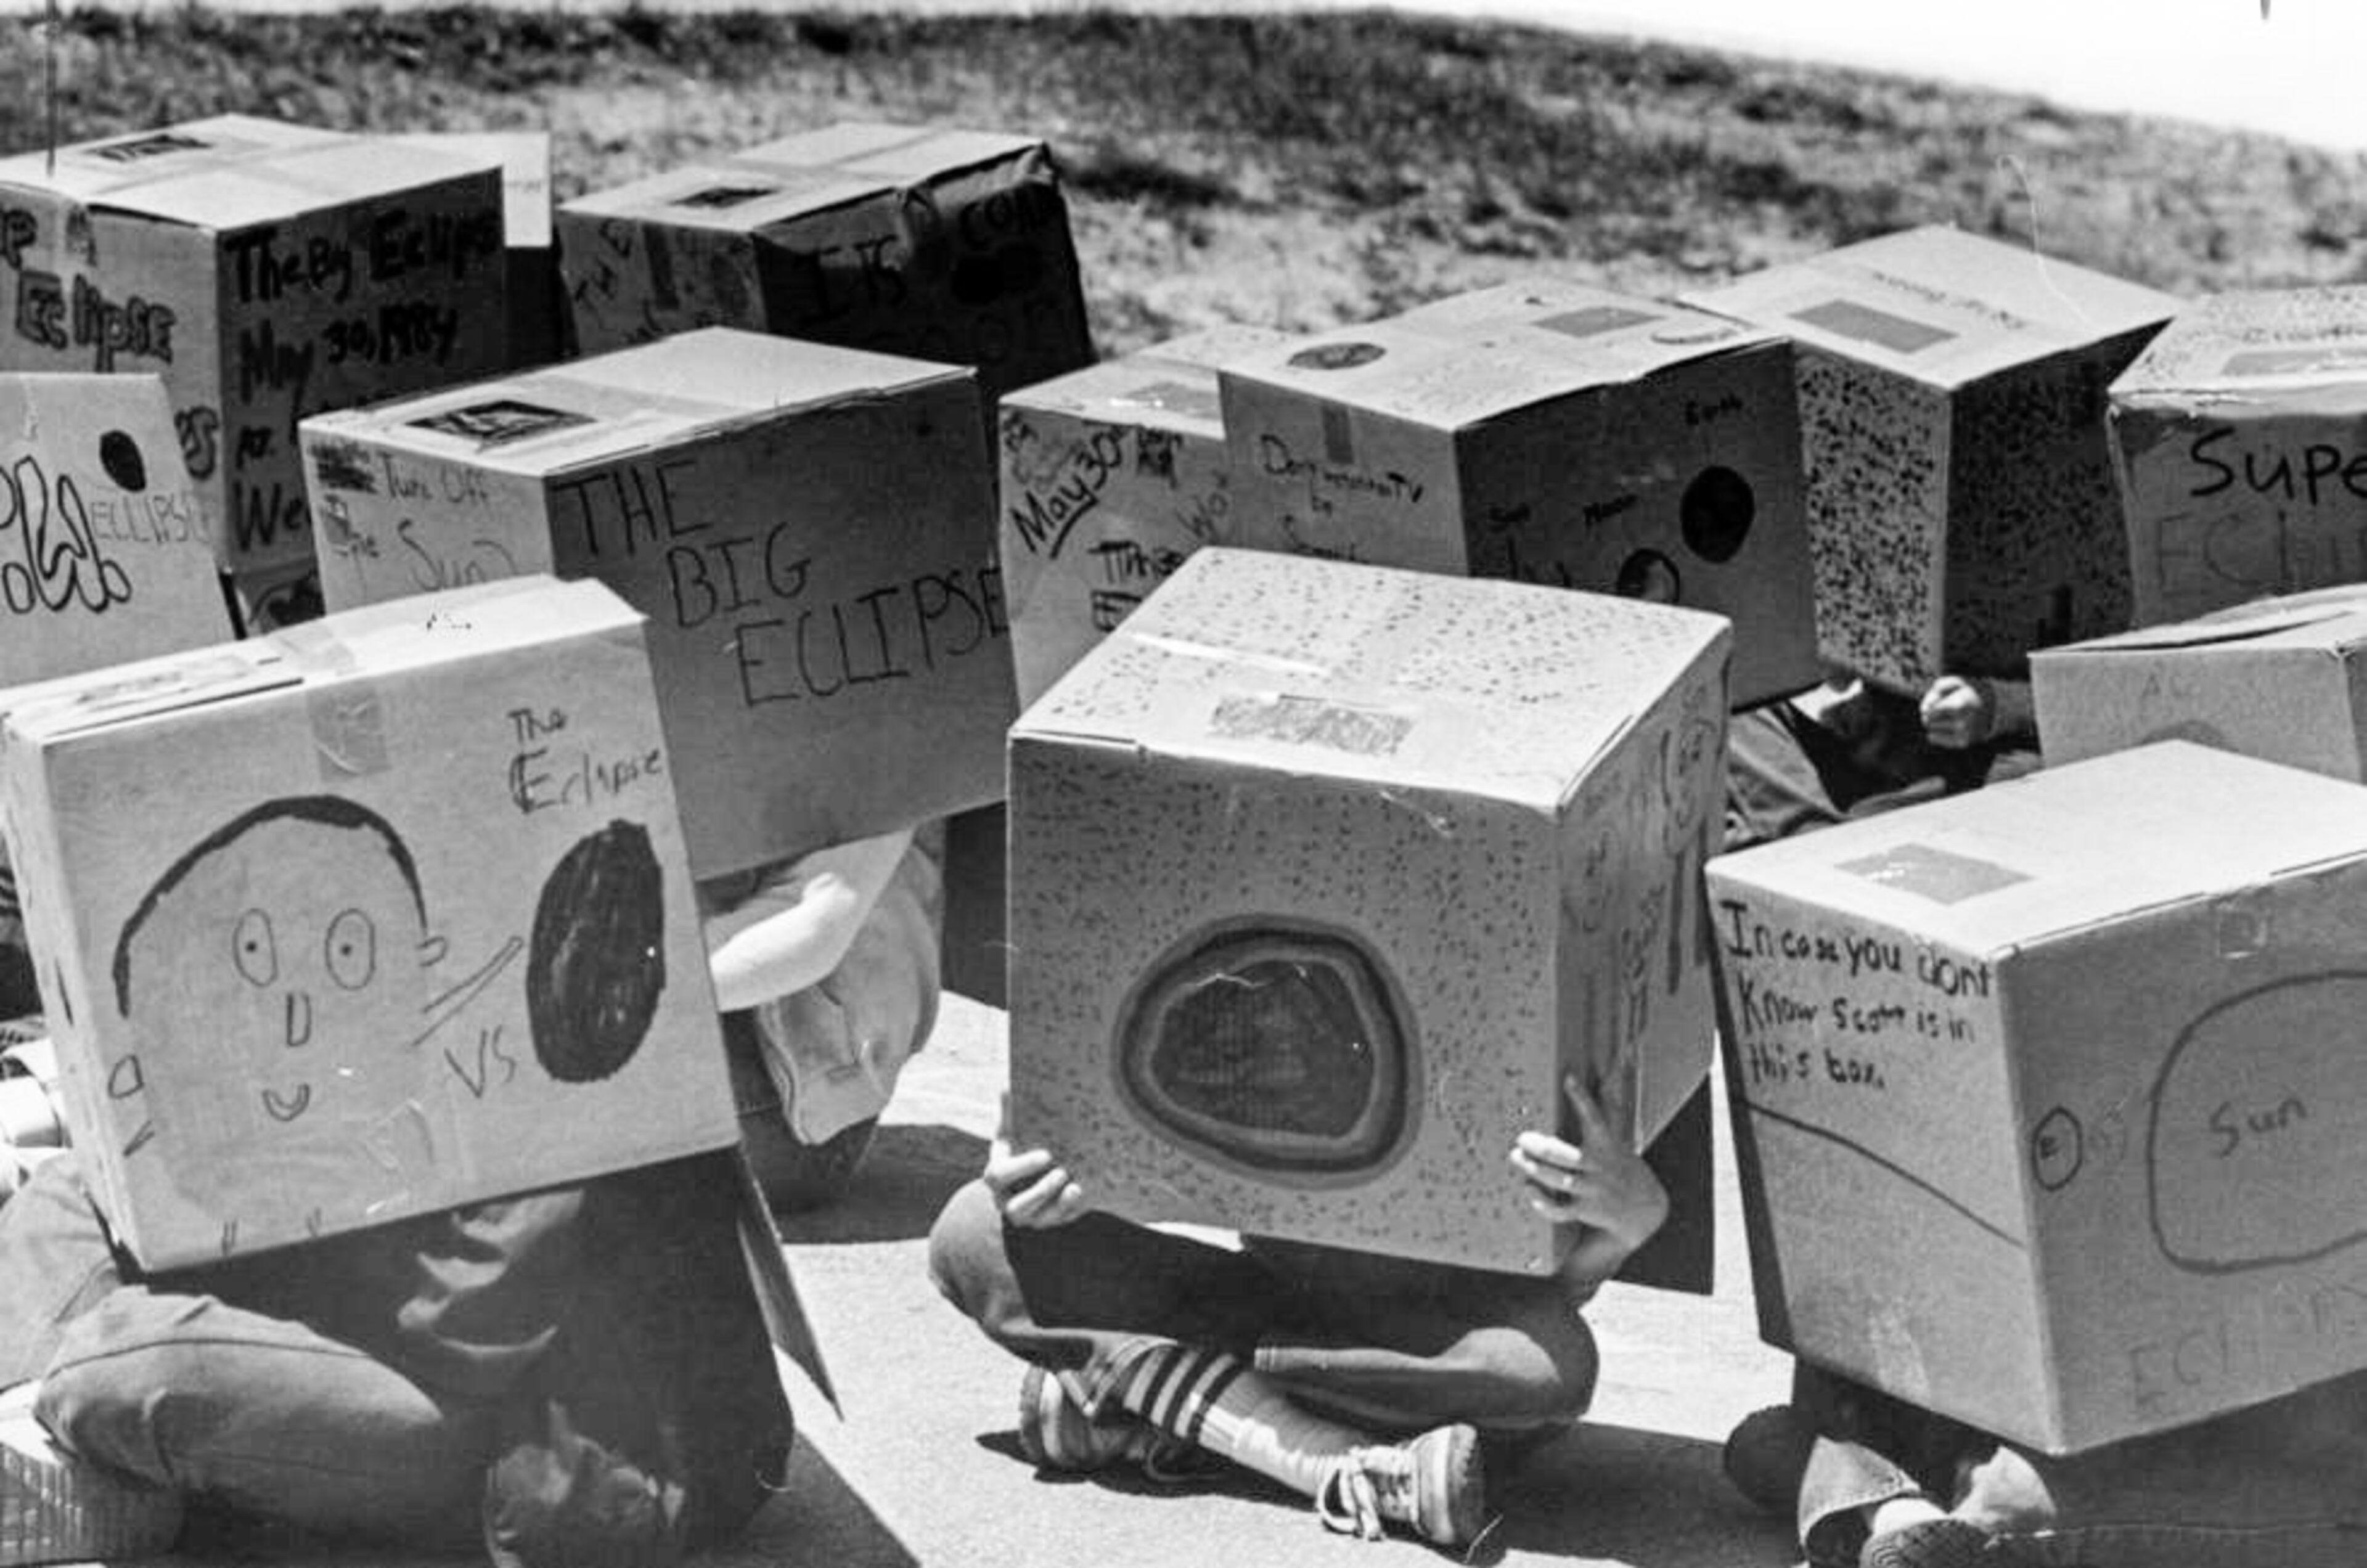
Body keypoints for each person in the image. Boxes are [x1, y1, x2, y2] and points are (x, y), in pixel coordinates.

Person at [927, 1071, 1669, 1550]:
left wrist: (1628, 1226)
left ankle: (1162, 1403)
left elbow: (1553, 1294)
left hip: (1426, 1353)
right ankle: (1339, 1465)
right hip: (1269, 1306)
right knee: (975, 1229)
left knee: (1550, 1367)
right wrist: (1041, 1171)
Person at [701, 823, 943, 1212]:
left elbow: (809, 923)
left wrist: (604, 992)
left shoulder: (880, 768)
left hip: (786, 1091)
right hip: (674, 1016)